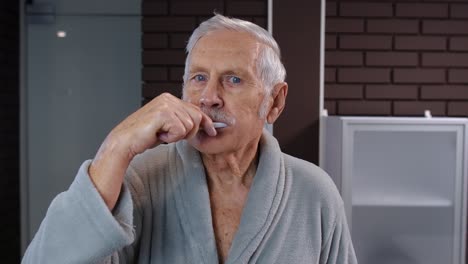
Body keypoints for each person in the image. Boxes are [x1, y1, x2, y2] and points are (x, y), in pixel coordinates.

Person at [22, 14, 357, 264]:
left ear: (275, 102)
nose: (208, 97)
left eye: (234, 79)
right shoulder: (140, 180)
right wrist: (117, 146)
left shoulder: (314, 193)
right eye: (198, 77)